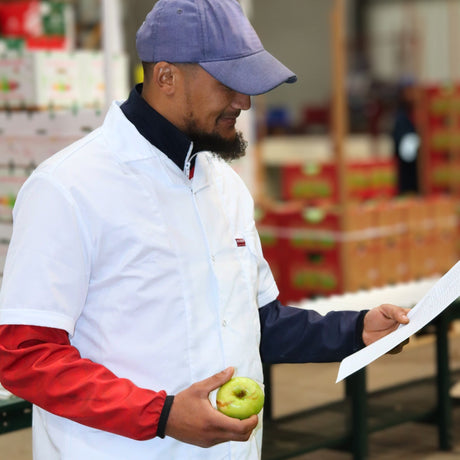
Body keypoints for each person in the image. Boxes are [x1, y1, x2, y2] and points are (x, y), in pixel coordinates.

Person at [0, 1, 410, 459]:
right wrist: (161, 414)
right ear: (166, 77)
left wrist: (355, 332)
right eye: (228, 84)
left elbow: (255, 322)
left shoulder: (225, 186)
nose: (245, 101)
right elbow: (26, 355)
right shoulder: (69, 187)